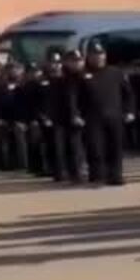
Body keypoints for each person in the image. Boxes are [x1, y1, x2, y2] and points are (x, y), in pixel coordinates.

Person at [80, 43, 134, 186]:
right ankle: (98, 176)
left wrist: (129, 111)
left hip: (115, 116)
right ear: (88, 57)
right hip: (92, 117)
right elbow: (74, 97)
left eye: (100, 54)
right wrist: (77, 114)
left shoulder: (115, 72)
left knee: (116, 147)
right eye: (94, 55)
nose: (98, 57)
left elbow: (128, 94)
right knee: (95, 148)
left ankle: (116, 176)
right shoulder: (83, 74)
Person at [53, 50, 89, 184]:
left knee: (84, 145)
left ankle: (84, 170)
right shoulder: (62, 79)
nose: (77, 63)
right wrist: (74, 114)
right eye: (74, 61)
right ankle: (75, 172)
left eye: (79, 60)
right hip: (65, 117)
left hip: (87, 115)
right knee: (71, 146)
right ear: (67, 62)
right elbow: (68, 99)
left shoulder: (87, 76)